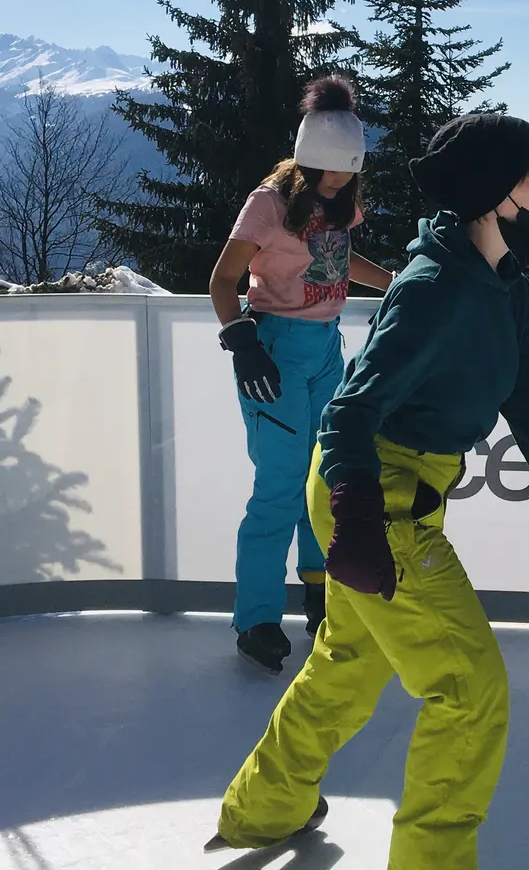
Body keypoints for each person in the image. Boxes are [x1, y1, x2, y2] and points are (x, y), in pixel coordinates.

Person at [206, 112, 529, 865]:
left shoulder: (503, 288)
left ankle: (262, 812)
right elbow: (348, 416)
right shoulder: (434, 288)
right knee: (470, 693)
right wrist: (361, 524)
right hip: (371, 493)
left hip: (388, 495)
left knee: (348, 667)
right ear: (494, 194)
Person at [209, 75, 394, 675]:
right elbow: (222, 278)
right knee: (280, 489)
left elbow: (337, 260)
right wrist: (241, 340)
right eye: (329, 171)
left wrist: (395, 282)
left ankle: (321, 598)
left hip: (325, 349)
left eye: (347, 173)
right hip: (277, 351)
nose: (337, 183)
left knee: (325, 482)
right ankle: (257, 619)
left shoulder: (339, 201)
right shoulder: (269, 202)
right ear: (308, 156)